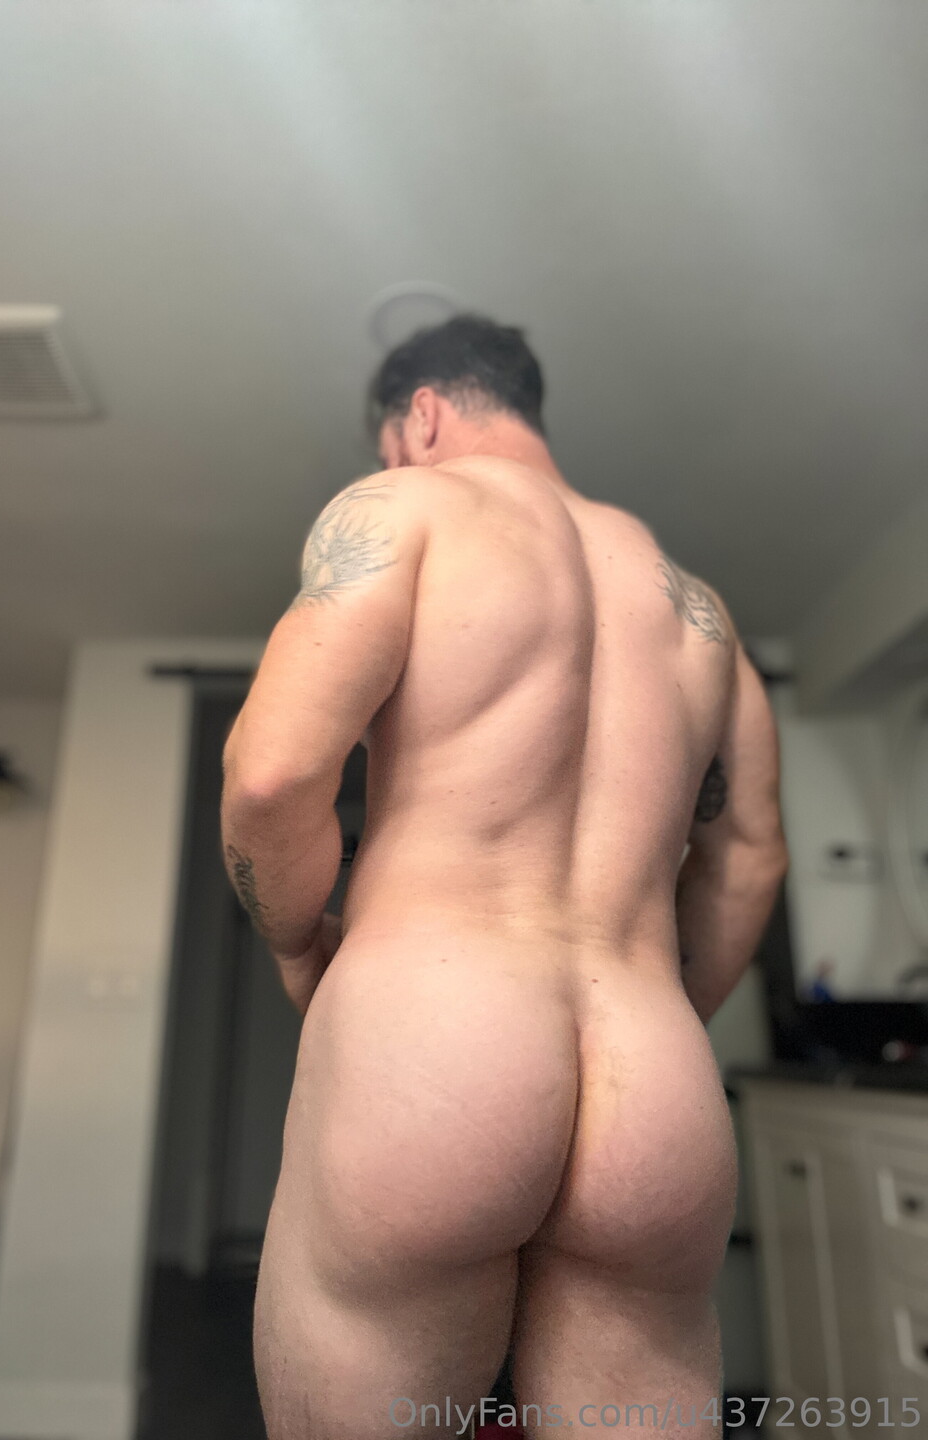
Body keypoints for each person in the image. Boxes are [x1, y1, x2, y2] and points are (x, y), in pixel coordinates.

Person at [220, 315, 788, 1439]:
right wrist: (667, 1005)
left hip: (437, 1035)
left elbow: (275, 773)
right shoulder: (698, 609)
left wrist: (295, 947)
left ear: (422, 417)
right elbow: (750, 855)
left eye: (392, 443)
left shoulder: (406, 507)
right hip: (653, 1073)